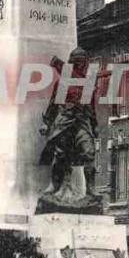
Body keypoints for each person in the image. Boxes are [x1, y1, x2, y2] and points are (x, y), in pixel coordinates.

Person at [39, 47, 101, 202]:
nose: (81, 65)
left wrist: (94, 125)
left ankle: (91, 190)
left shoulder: (88, 82)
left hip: (82, 123)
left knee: (89, 152)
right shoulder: (63, 81)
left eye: (83, 62)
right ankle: (56, 186)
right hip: (65, 121)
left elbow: (91, 106)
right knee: (61, 155)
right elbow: (54, 104)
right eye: (77, 62)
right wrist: (47, 123)